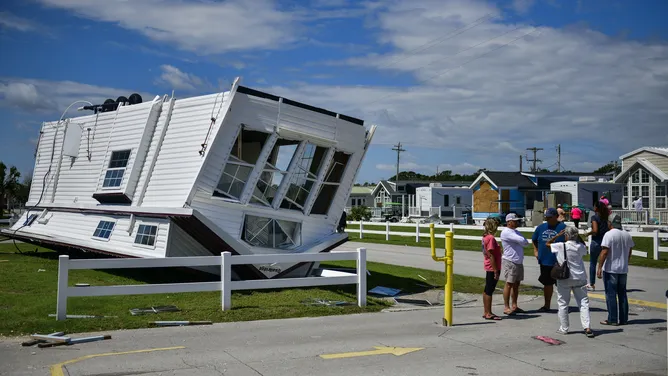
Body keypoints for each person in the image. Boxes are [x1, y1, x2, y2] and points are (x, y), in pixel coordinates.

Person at [546, 226, 594, 337]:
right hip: (580, 277)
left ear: (566, 235)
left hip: (565, 278)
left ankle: (564, 328)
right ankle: (587, 327)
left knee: (563, 303)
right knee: (583, 303)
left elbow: (547, 244)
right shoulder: (579, 247)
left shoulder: (560, 246)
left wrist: (558, 235)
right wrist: (579, 237)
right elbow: (585, 247)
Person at [598, 215, 634, 326]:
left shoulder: (609, 235)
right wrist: (625, 262)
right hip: (623, 269)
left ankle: (612, 319)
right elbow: (630, 251)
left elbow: (604, 252)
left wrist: (599, 267)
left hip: (611, 268)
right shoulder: (627, 234)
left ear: (610, 223)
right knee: (622, 294)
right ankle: (623, 319)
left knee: (611, 294)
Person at [532, 207, 566, 313]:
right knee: (547, 283)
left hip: (559, 261)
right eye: (546, 217)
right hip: (545, 259)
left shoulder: (563, 227)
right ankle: (547, 305)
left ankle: (563, 305)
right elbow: (534, 240)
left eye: (550, 217)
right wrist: (536, 251)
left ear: (556, 216)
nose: (547, 219)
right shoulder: (541, 227)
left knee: (561, 284)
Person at [500, 213, 530, 315]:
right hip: (510, 261)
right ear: (509, 222)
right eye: (515, 220)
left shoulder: (516, 232)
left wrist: (522, 242)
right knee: (509, 284)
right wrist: (521, 242)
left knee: (516, 284)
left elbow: (525, 242)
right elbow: (522, 240)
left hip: (518, 261)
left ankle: (514, 305)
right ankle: (506, 307)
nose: (517, 222)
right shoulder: (506, 232)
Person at [585, 200, 612, 291]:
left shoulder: (594, 217)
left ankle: (592, 284)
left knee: (593, 263)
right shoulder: (606, 217)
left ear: (596, 208)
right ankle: (609, 283)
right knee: (606, 263)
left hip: (596, 242)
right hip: (605, 242)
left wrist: (588, 233)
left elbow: (595, 230)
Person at [481, 218, 502, 320]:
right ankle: (488, 312)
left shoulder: (484, 237)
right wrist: (495, 270)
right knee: (490, 290)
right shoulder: (491, 239)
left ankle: (486, 311)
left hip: (488, 266)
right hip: (492, 266)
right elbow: (491, 255)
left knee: (486, 289)